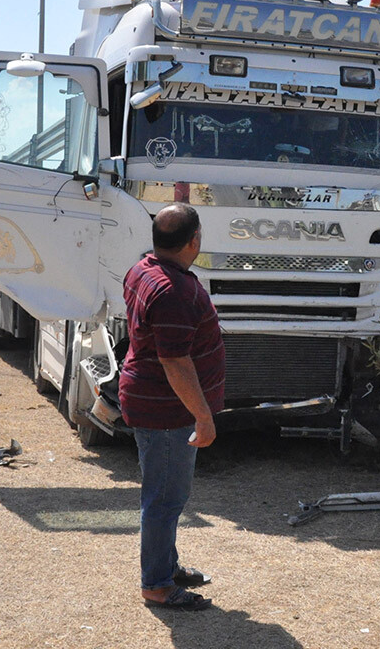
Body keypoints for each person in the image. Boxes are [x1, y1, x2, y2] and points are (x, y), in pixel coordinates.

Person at [119, 203, 223, 611]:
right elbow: (174, 362)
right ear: (193, 241)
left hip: (154, 402)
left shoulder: (143, 268)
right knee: (164, 499)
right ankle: (158, 585)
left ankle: (167, 565)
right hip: (166, 411)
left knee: (165, 494)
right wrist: (203, 415)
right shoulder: (173, 292)